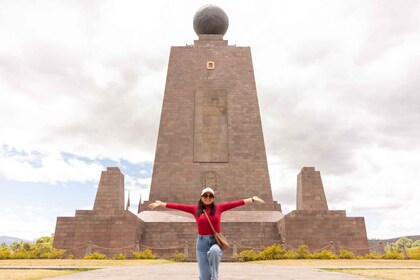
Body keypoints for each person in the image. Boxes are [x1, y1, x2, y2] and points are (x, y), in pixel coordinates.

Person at [148, 187, 265, 280]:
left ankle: (215, 274)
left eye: (210, 196)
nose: (208, 198)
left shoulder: (219, 208)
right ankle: (209, 275)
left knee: (214, 252)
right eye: (205, 195)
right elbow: (179, 207)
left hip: (215, 241)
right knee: (204, 277)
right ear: (201, 197)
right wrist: (162, 204)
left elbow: (236, 203)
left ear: (213, 198)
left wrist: (252, 199)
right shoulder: (195, 209)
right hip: (201, 244)